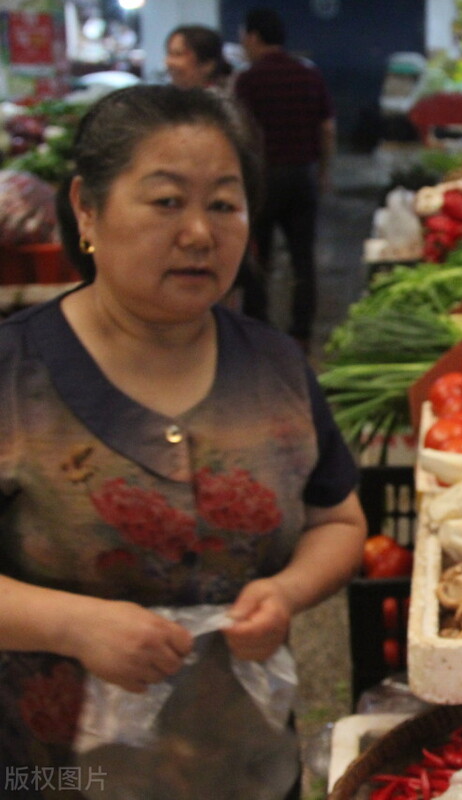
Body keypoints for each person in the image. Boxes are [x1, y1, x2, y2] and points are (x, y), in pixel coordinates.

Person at [0, 85, 366, 798]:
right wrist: (73, 626)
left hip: (244, 767)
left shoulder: (276, 367)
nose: (200, 232)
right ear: (86, 208)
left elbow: (339, 520)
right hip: (49, 772)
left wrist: (287, 593)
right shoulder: (14, 377)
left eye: (224, 205)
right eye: (167, 201)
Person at [234, 8, 336, 352]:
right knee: (302, 259)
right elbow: (327, 129)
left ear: (252, 37)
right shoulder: (308, 75)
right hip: (301, 176)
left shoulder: (248, 80)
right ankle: (301, 333)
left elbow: (240, 134)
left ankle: (258, 330)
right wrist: (323, 171)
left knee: (257, 259)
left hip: (263, 181)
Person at [165, 24, 233, 92]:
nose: (169, 62)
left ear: (208, 64)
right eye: (169, 53)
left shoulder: (221, 99)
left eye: (178, 54)